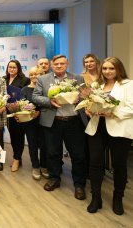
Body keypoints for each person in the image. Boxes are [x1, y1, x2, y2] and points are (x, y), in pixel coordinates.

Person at [32, 54, 88, 200]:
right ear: (51, 65)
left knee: (78, 155)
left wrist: (79, 98)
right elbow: (36, 96)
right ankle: (54, 178)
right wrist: (50, 101)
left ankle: (79, 184)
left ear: (67, 64)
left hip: (74, 122)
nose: (59, 66)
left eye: (62, 64)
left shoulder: (78, 78)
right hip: (53, 122)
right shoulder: (43, 79)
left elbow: (85, 96)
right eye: (56, 64)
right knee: (52, 152)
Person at [85, 57, 133, 215]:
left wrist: (112, 112)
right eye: (104, 68)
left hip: (118, 129)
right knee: (95, 163)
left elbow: (131, 108)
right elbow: (90, 103)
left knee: (119, 165)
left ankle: (117, 198)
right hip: (97, 127)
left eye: (111, 68)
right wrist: (88, 109)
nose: (107, 71)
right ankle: (96, 198)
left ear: (119, 69)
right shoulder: (96, 85)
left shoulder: (128, 84)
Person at [19, 66, 47, 180]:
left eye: (37, 74)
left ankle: (44, 166)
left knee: (45, 146)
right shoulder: (25, 90)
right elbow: (21, 105)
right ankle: (35, 166)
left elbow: (48, 103)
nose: (34, 76)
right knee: (33, 145)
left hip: (44, 121)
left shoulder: (45, 89)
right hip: (30, 122)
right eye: (31, 74)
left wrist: (38, 112)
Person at [4, 60, 30, 172]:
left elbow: (25, 95)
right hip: (6, 112)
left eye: (14, 67)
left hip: (18, 112)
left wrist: (17, 105)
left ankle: (16, 159)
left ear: (18, 68)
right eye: (10, 67)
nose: (12, 69)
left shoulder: (25, 80)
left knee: (18, 136)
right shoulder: (3, 79)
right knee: (13, 136)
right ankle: (17, 157)